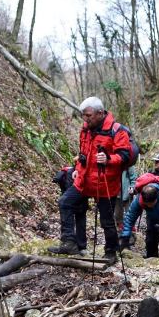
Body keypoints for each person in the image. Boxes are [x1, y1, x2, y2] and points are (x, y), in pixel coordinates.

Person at [48, 96, 131, 263]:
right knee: (65, 202)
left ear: (100, 113)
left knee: (107, 220)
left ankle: (111, 252)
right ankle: (70, 243)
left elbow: (125, 155)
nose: (85, 119)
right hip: (84, 181)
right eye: (83, 115)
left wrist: (108, 159)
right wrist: (77, 169)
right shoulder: (85, 129)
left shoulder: (117, 130)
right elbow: (83, 154)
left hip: (105, 183)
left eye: (88, 115)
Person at [52, 166, 89, 255]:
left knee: (77, 212)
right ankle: (81, 246)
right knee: (81, 214)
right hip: (81, 187)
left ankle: (71, 244)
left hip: (78, 188)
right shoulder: (71, 171)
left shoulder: (69, 172)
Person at [114, 166, 138, 231]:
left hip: (127, 193)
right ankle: (120, 225)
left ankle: (131, 226)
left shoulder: (129, 165)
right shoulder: (114, 165)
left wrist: (132, 187)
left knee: (130, 211)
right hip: (116, 193)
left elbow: (134, 178)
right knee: (118, 213)